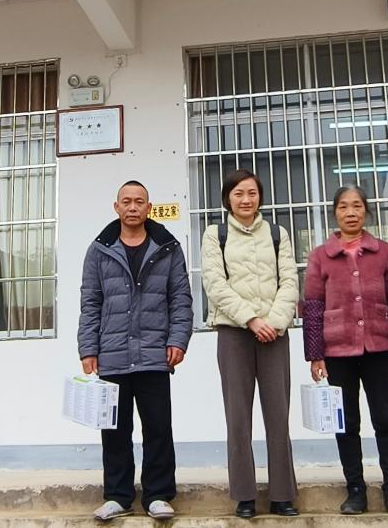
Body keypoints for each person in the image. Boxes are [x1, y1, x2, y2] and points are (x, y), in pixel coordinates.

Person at [77, 180, 194, 521]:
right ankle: (118, 496)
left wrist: (178, 340)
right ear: (116, 207)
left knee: (158, 427)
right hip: (112, 354)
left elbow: (181, 299)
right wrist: (88, 348)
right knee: (114, 430)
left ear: (148, 207)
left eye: (139, 201)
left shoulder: (168, 248)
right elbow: (90, 302)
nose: (132, 207)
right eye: (126, 201)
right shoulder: (99, 250)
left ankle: (158, 495)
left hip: (155, 354)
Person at [302, 185, 388, 516]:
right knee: (346, 423)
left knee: (385, 418)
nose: (350, 212)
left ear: (366, 211)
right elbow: (312, 306)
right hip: (337, 352)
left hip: (378, 346)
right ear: (334, 213)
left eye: (357, 206)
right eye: (343, 207)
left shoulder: (384, 252)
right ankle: (355, 490)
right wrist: (315, 353)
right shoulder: (320, 256)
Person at [201, 169, 299, 519]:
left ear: (260, 197)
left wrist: (274, 321)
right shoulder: (215, 235)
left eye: (252, 193)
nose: (246, 199)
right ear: (228, 198)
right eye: (239, 193)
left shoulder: (277, 233)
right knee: (238, 417)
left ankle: (282, 494)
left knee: (278, 416)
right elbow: (215, 284)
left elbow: (290, 280)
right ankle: (244, 495)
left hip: (275, 334)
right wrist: (252, 320)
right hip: (234, 333)